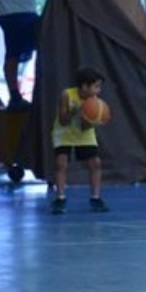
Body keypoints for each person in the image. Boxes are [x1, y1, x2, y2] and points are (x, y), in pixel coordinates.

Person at [50, 67, 108, 215]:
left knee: (95, 163)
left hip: (83, 133)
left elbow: (85, 127)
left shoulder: (95, 102)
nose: (98, 90)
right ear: (84, 86)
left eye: (99, 87)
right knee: (61, 163)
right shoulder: (67, 95)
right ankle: (60, 198)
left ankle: (96, 198)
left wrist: (96, 119)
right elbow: (63, 121)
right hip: (64, 133)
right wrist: (74, 111)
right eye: (96, 86)